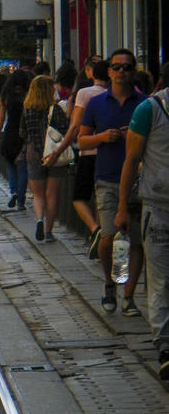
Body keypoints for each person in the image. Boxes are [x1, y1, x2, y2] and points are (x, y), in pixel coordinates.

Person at [79, 49, 145, 314]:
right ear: (108, 72)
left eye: (126, 68)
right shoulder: (96, 103)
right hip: (107, 177)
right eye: (116, 68)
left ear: (133, 71)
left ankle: (128, 296)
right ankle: (110, 282)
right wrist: (102, 138)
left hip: (138, 181)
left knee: (135, 240)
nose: (121, 72)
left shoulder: (144, 104)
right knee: (108, 236)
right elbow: (82, 140)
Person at [116, 85, 169, 379]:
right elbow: (131, 161)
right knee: (160, 279)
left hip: (157, 205)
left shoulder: (146, 109)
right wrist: (123, 208)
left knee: (160, 280)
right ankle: (164, 348)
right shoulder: (150, 109)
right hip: (158, 208)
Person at [59, 60, 109, 258]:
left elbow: (74, 125)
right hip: (109, 153)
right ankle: (104, 236)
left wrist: (58, 150)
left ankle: (96, 229)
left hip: (88, 152)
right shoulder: (116, 94)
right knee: (102, 198)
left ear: (91, 75)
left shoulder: (85, 93)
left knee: (79, 197)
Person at [19, 75, 69, 244]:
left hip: (33, 153)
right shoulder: (56, 109)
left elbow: (22, 132)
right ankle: (48, 231)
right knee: (52, 194)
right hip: (53, 153)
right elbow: (64, 130)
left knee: (38, 194)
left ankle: (39, 219)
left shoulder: (27, 109)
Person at [0, 69, 31, 211]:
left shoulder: (6, 95)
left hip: (9, 131)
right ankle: (21, 200)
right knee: (22, 167)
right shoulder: (28, 96)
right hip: (23, 132)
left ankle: (14, 191)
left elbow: (1, 116)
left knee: (10, 164)